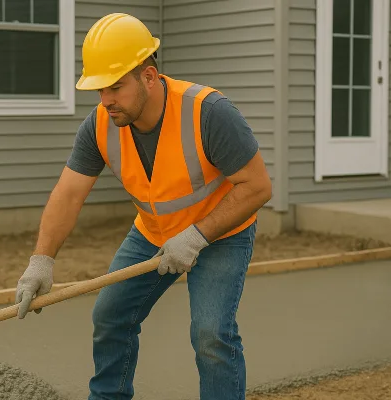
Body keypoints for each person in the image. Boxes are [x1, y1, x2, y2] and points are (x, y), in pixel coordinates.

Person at [14, 12, 272, 400]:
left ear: (148, 77)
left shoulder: (209, 112)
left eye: (115, 87)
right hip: (154, 232)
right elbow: (68, 195)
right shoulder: (101, 124)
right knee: (110, 316)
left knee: (210, 334)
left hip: (221, 233)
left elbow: (257, 187)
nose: (106, 101)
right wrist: (41, 260)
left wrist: (198, 236)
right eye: (99, 89)